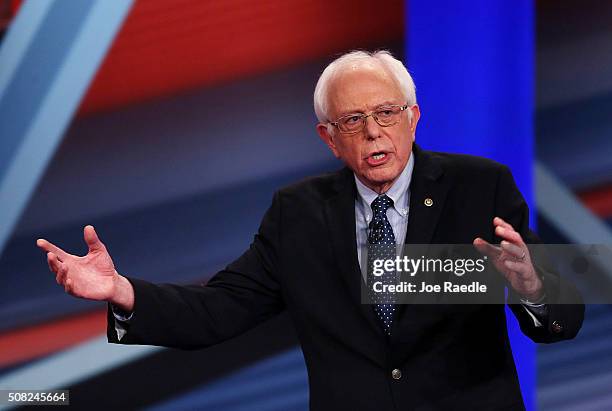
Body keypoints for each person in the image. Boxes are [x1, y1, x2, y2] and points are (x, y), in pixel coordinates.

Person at [37, 50, 583, 410]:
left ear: (414, 117)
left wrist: (533, 287)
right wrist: (120, 291)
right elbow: (221, 309)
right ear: (328, 137)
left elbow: (561, 318)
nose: (373, 132)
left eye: (387, 113)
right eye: (352, 121)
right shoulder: (298, 213)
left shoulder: (478, 187)